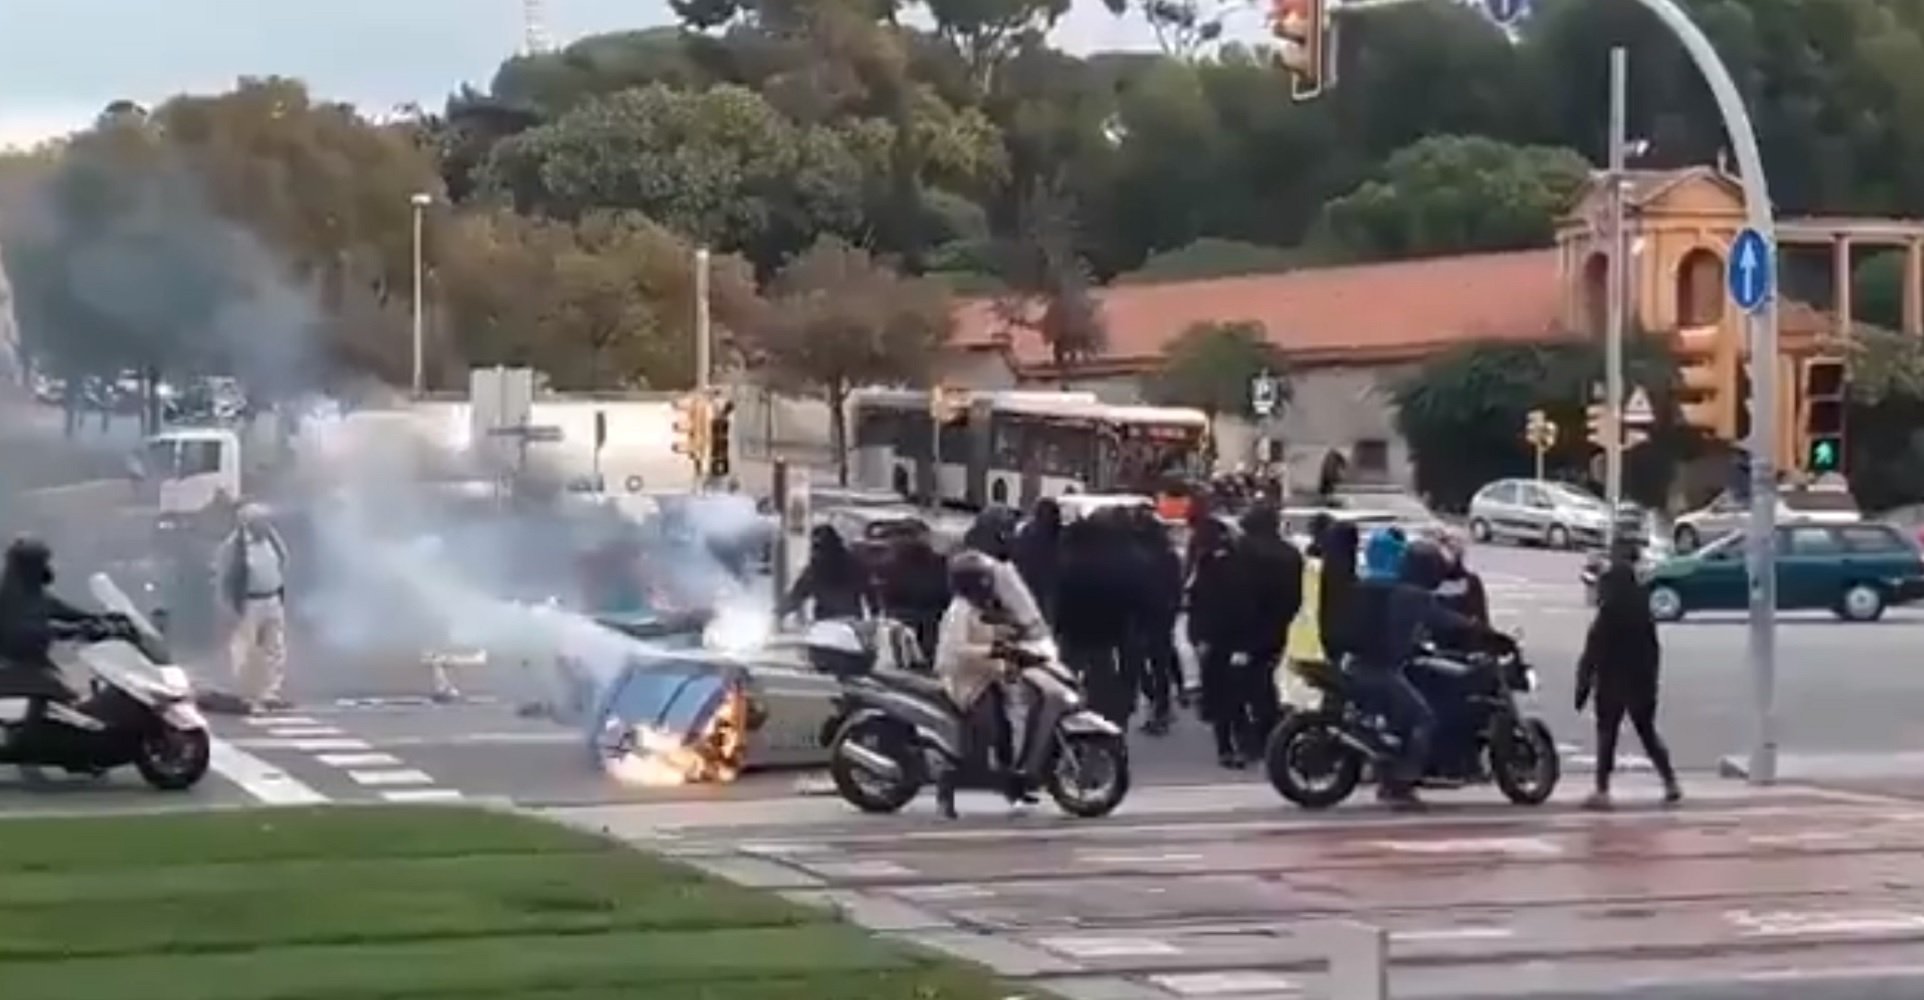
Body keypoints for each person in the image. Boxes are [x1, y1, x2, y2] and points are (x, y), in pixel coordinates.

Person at [1348, 538, 1489, 809]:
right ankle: (1402, 785)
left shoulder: (1387, 588)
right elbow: (1442, 619)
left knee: (1401, 721)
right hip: (1382, 669)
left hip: (1359, 663)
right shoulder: (1415, 596)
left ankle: (1388, 777)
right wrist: (1474, 626)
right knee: (1423, 718)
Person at [933, 549, 1047, 818]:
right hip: (965, 683)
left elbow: (994, 628)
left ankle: (1013, 788)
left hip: (986, 677)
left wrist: (1015, 633)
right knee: (987, 737)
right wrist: (994, 651)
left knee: (1006, 733)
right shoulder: (959, 611)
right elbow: (956, 650)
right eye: (984, 579)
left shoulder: (978, 607)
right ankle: (947, 788)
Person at [1576, 544, 1682, 809]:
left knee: (1607, 735)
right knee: (1647, 733)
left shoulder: (1607, 615)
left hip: (1611, 682)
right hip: (1641, 682)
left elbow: (1592, 653)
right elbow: (1654, 650)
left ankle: (1602, 790)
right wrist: (1652, 681)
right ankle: (1670, 781)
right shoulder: (1642, 610)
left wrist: (1582, 687)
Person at [1217, 504, 1302, 763]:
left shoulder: (1243, 553)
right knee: (1263, 682)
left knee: (1236, 687)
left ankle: (1246, 739)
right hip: (1276, 629)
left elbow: (1235, 594)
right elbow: (1296, 597)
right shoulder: (1291, 554)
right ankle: (1267, 734)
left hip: (1243, 630)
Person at [0, 537, 114, 710]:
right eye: (40, 563)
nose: (46, 568)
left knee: (68, 696)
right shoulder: (8, 596)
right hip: (13, 666)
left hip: (34, 664)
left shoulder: (36, 594)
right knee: (67, 700)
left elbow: (66, 611)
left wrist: (104, 619)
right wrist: (74, 630)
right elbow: (25, 630)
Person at [1056, 514, 1135, 728]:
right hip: (1104, 632)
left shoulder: (1069, 562)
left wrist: (1058, 627)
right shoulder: (1113, 563)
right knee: (1102, 676)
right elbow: (1122, 599)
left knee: (1067, 675)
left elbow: (1062, 599)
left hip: (1075, 631)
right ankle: (1103, 717)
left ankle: (1065, 716)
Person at [216, 503, 292, 712]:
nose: (265, 525)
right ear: (248, 523)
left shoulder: (272, 539)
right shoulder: (235, 546)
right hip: (248, 602)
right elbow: (226, 577)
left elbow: (283, 559)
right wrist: (228, 606)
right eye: (260, 522)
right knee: (245, 650)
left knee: (275, 648)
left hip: (272, 599)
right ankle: (247, 696)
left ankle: (270, 693)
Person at [1185, 515, 1242, 767]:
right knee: (1232, 694)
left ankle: (1226, 746)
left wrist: (1199, 635)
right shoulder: (1237, 563)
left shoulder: (1208, 566)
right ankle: (1234, 744)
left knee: (1221, 693)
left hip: (1215, 637)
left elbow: (1198, 601)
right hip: (1232, 636)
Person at [1127, 507, 1184, 734]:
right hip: (1161, 613)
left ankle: (1157, 704)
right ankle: (1162, 705)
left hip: (1143, 613)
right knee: (1159, 662)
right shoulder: (1168, 554)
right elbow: (1176, 585)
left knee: (1142, 662)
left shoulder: (1136, 553)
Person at [780, 525, 873, 622]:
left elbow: (797, 594)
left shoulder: (816, 569)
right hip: (850, 618)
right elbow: (868, 588)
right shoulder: (854, 563)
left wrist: (780, 612)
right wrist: (875, 611)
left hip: (827, 621)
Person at [1012, 499, 1063, 626]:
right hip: (1050, 590)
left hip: (1029, 586)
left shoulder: (1025, 532)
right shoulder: (1061, 534)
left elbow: (1016, 557)